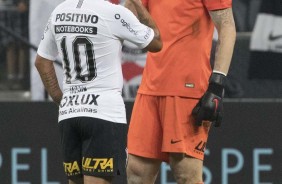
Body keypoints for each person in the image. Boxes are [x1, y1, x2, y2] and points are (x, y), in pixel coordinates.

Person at [34, 0, 162, 183]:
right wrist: (137, 3)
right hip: (103, 113)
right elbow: (156, 42)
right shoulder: (114, 13)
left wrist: (61, 100)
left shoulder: (59, 12)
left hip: (69, 113)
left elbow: (41, 61)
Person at [125, 0, 236, 183]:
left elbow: (227, 26)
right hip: (150, 87)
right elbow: (128, 19)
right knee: (137, 175)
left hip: (187, 90)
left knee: (186, 176)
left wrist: (216, 84)